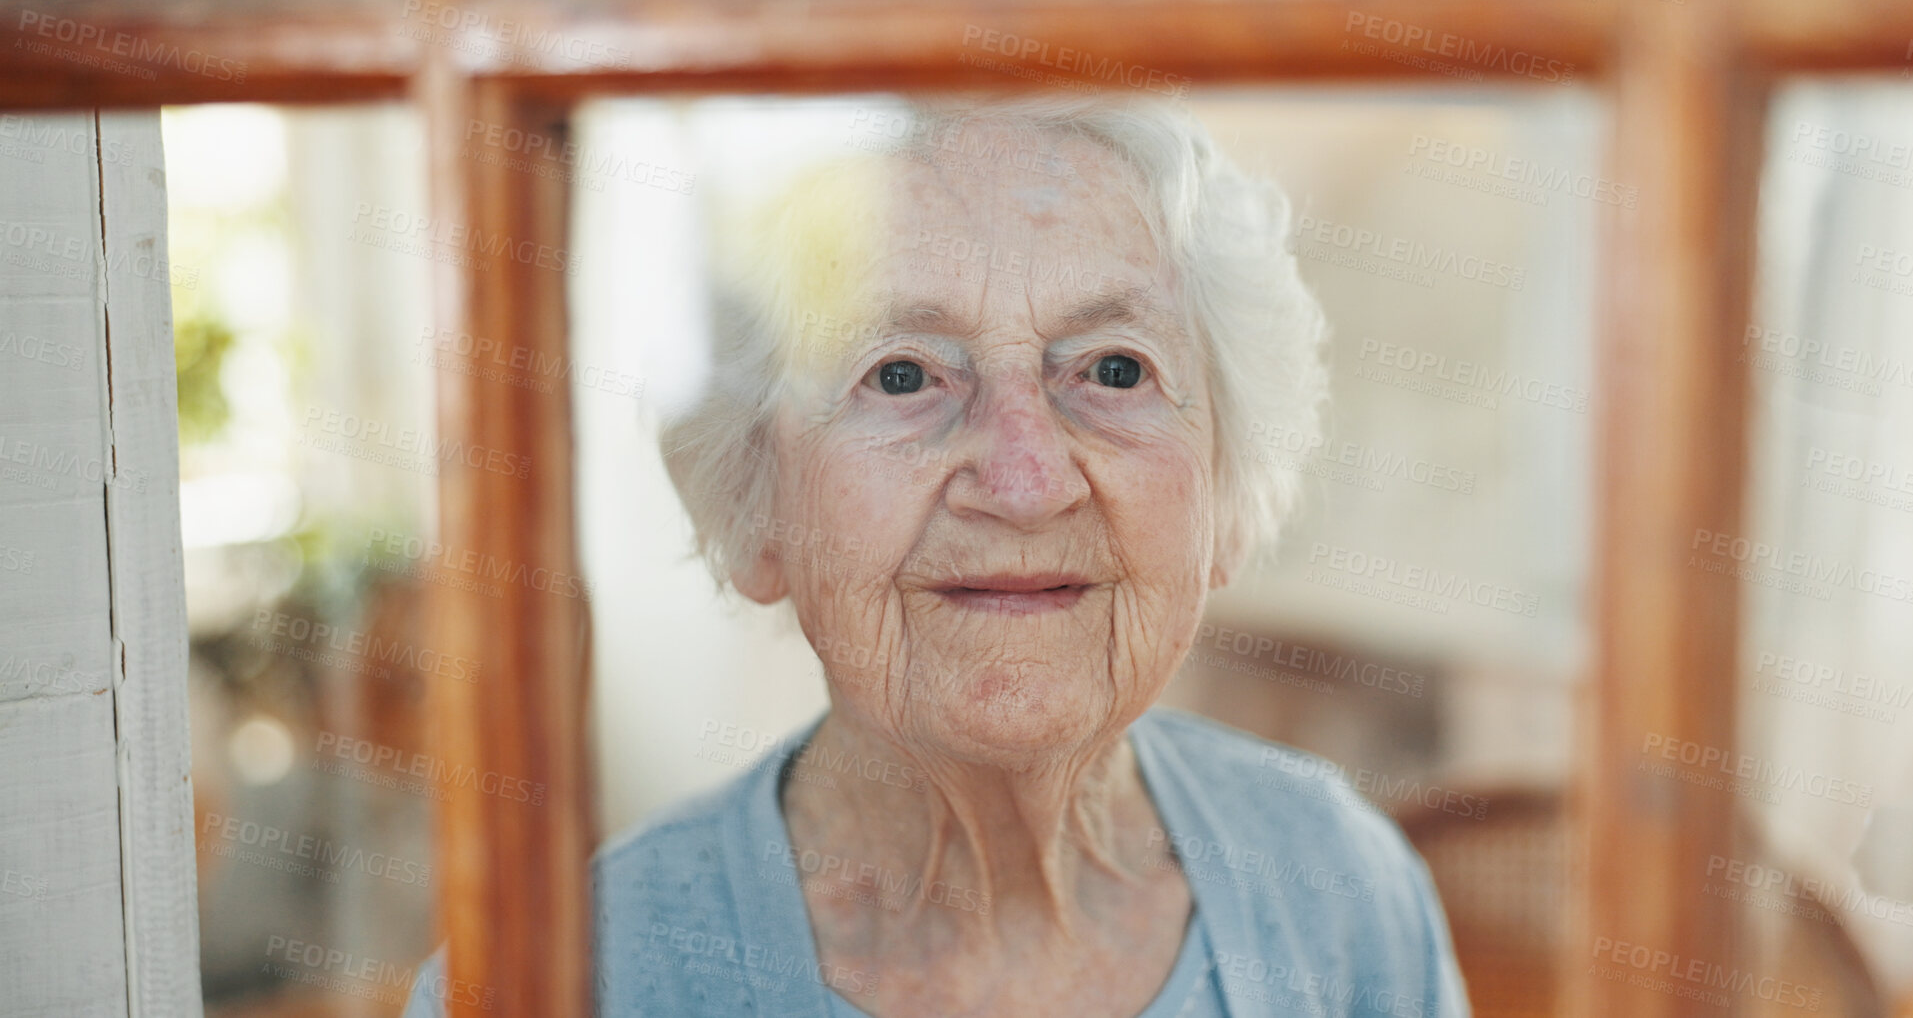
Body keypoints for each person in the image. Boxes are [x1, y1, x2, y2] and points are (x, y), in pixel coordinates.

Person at [407, 94, 1468, 1017]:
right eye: (904, 374)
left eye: (1112, 366)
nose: (1023, 479)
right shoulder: (561, 982)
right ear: (755, 499)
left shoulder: (1340, 888)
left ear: (1225, 493)